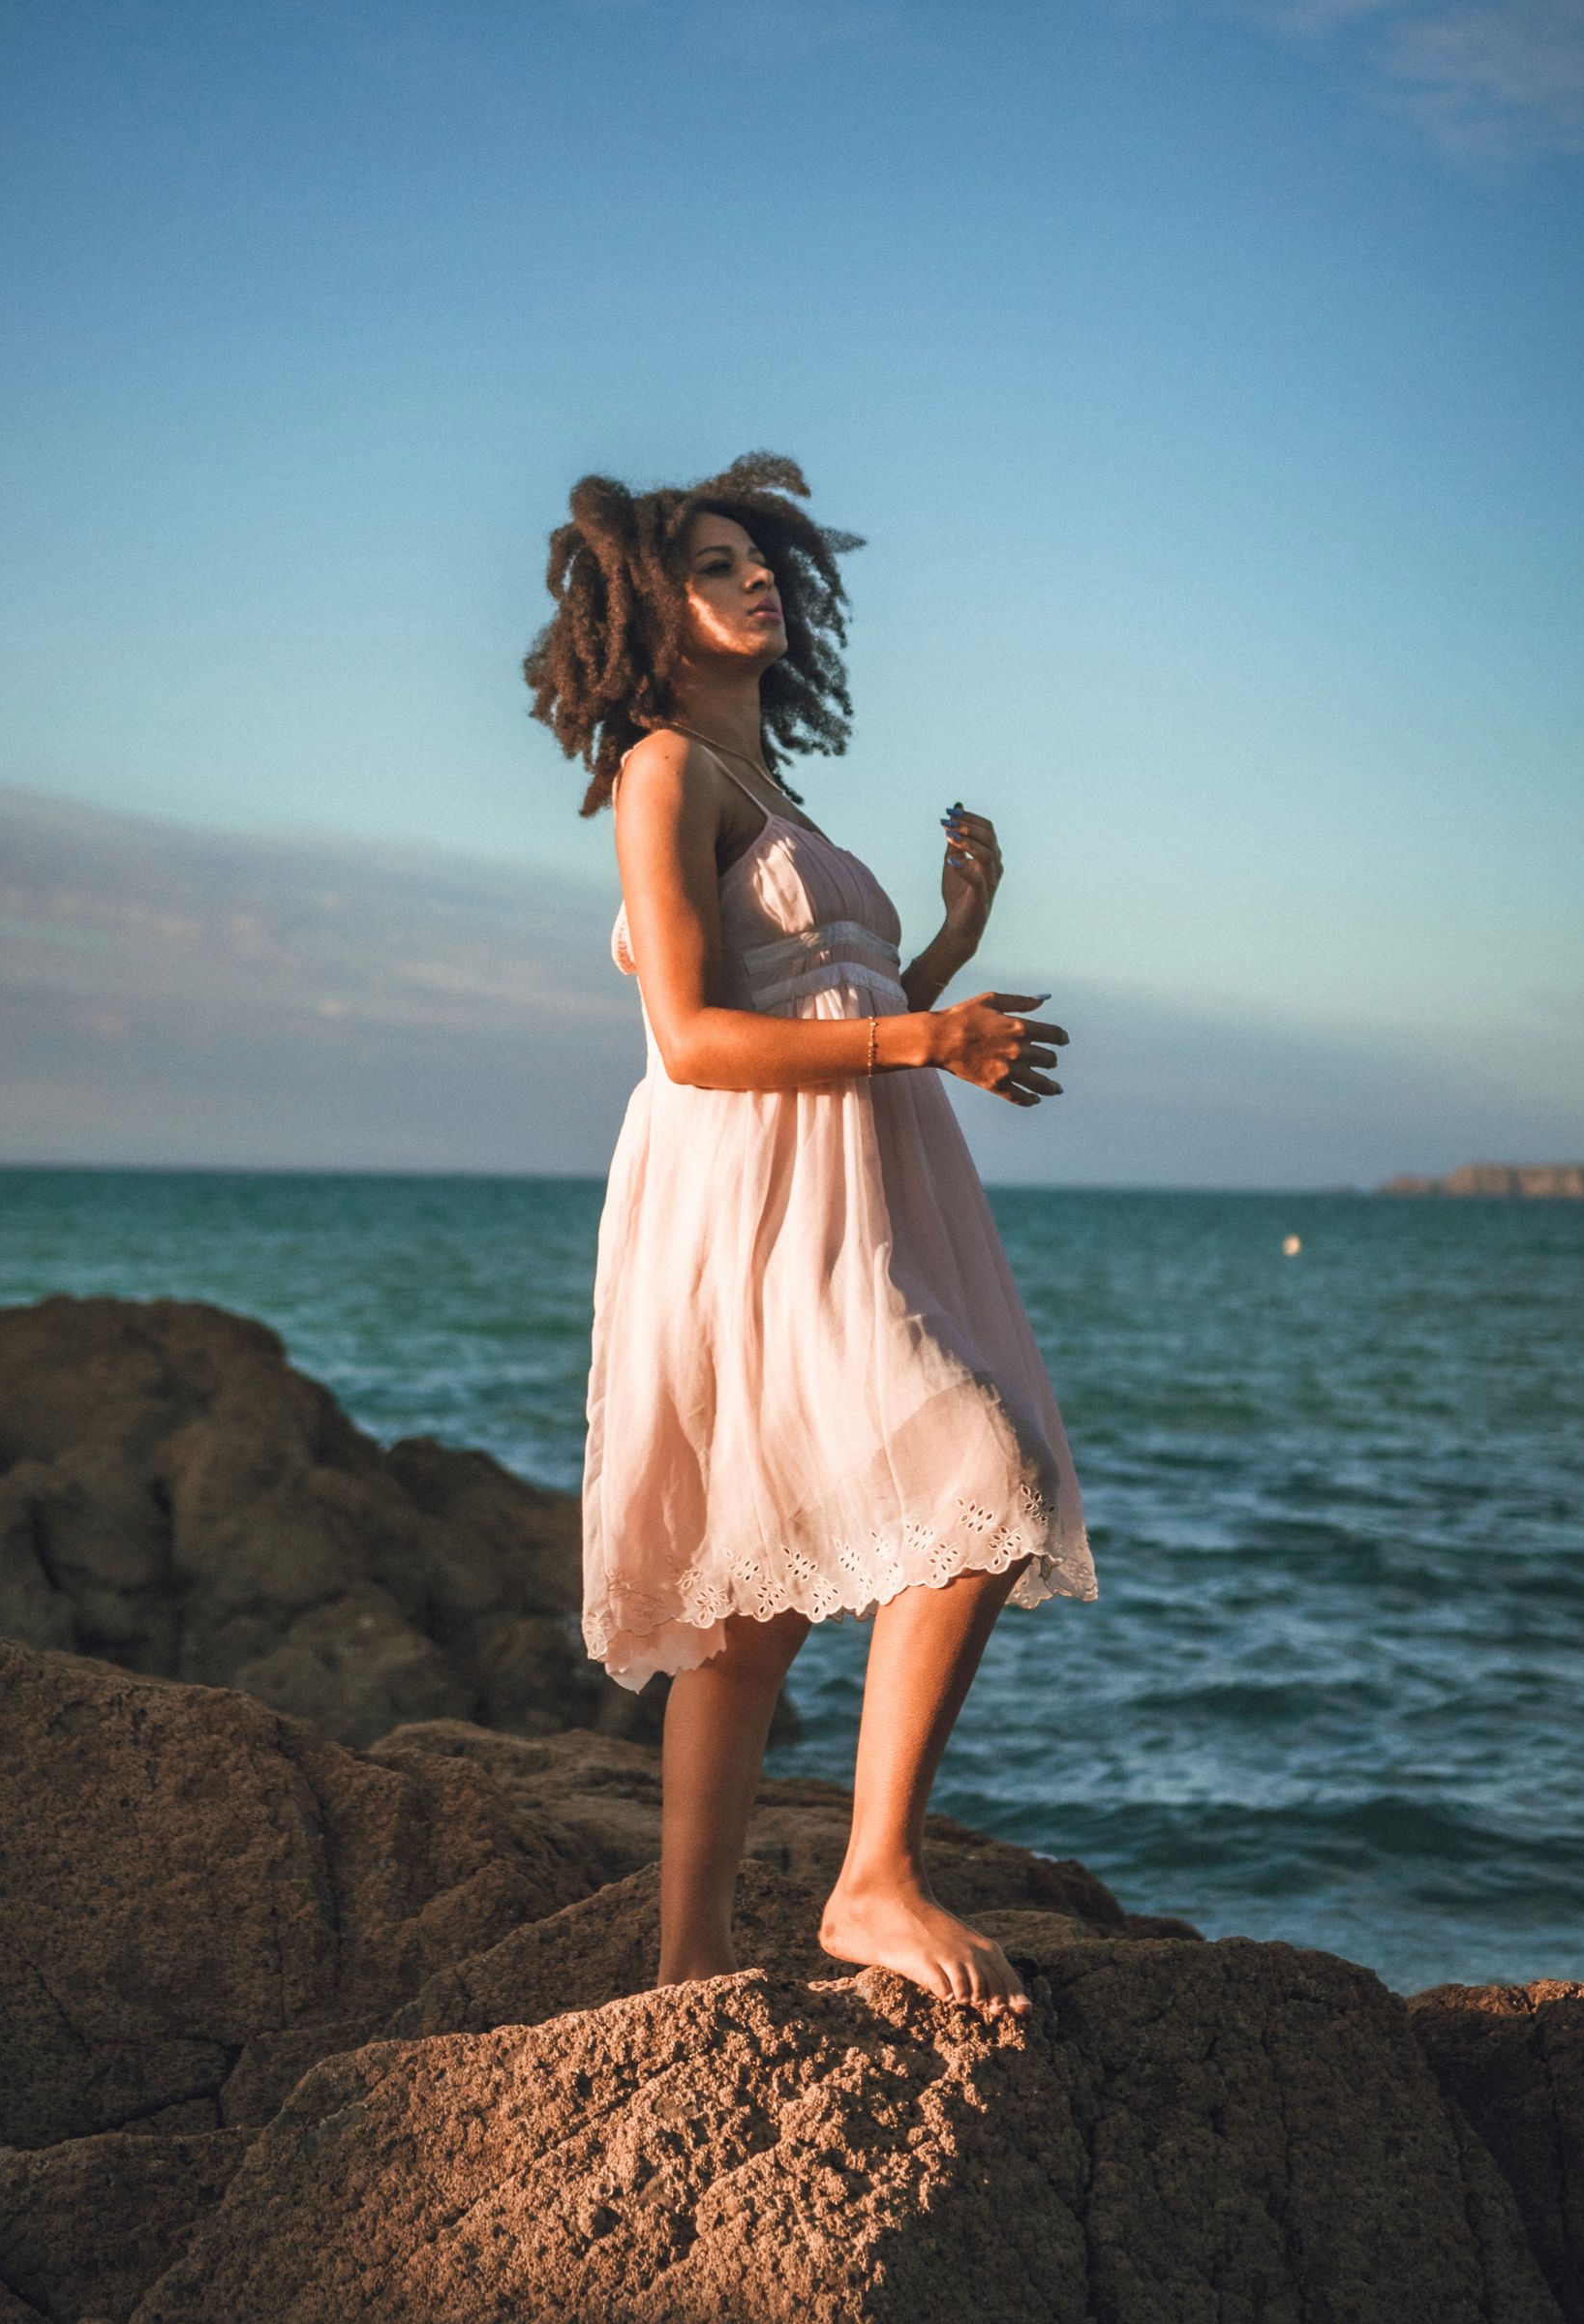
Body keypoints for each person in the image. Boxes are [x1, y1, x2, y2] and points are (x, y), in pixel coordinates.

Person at [525, 452, 1097, 2015]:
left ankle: (687, 1971)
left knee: (752, 1601)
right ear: (654, 608)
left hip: (847, 1172)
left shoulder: (774, 790)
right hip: (749, 1192)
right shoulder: (664, 771)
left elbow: (823, 998)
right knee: (987, 1469)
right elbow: (698, 1038)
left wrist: (948, 950)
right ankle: (870, 1881)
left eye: (759, 560)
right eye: (713, 566)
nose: (753, 579)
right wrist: (929, 1043)